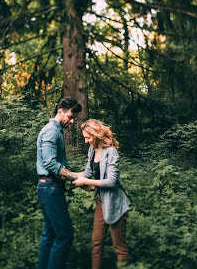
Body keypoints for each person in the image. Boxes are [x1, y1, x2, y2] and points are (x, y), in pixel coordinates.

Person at [73, 119, 130, 269]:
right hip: (100, 201)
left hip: (115, 202)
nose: (86, 141)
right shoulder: (92, 150)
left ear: (96, 134)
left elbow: (111, 182)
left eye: (88, 137)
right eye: (84, 137)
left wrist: (87, 181)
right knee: (96, 243)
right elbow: (88, 172)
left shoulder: (111, 152)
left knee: (119, 246)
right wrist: (68, 174)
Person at [36, 96, 82, 269]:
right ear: (60, 111)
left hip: (48, 186)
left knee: (50, 233)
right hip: (50, 188)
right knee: (64, 236)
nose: (71, 121)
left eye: (73, 119)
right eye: (70, 117)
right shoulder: (51, 130)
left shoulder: (55, 130)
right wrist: (74, 176)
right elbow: (49, 162)